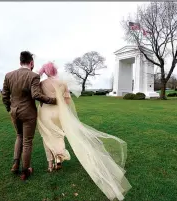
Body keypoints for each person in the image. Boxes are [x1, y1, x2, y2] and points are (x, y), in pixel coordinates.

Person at [37, 62, 131, 201]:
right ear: (55, 70)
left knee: (47, 136)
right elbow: (68, 101)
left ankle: (50, 164)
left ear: (45, 71)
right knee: (60, 134)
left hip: (45, 112)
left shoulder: (42, 83)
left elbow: (38, 98)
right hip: (59, 113)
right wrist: (61, 103)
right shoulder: (63, 82)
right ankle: (59, 159)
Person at [1, 51, 57, 181]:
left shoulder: (8, 75)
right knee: (27, 142)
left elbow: (5, 96)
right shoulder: (33, 76)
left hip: (14, 112)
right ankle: (25, 171)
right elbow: (36, 95)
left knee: (19, 136)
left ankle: (15, 164)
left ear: (20, 62)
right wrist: (53, 100)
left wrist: (10, 108)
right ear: (31, 63)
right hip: (28, 113)